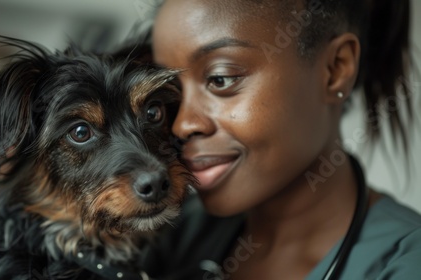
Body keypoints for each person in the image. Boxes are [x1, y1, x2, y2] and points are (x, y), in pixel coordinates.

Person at [138, 0, 421, 279]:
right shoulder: (169, 233)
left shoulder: (405, 264)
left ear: (335, 69)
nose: (182, 124)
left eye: (220, 79)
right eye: (169, 92)